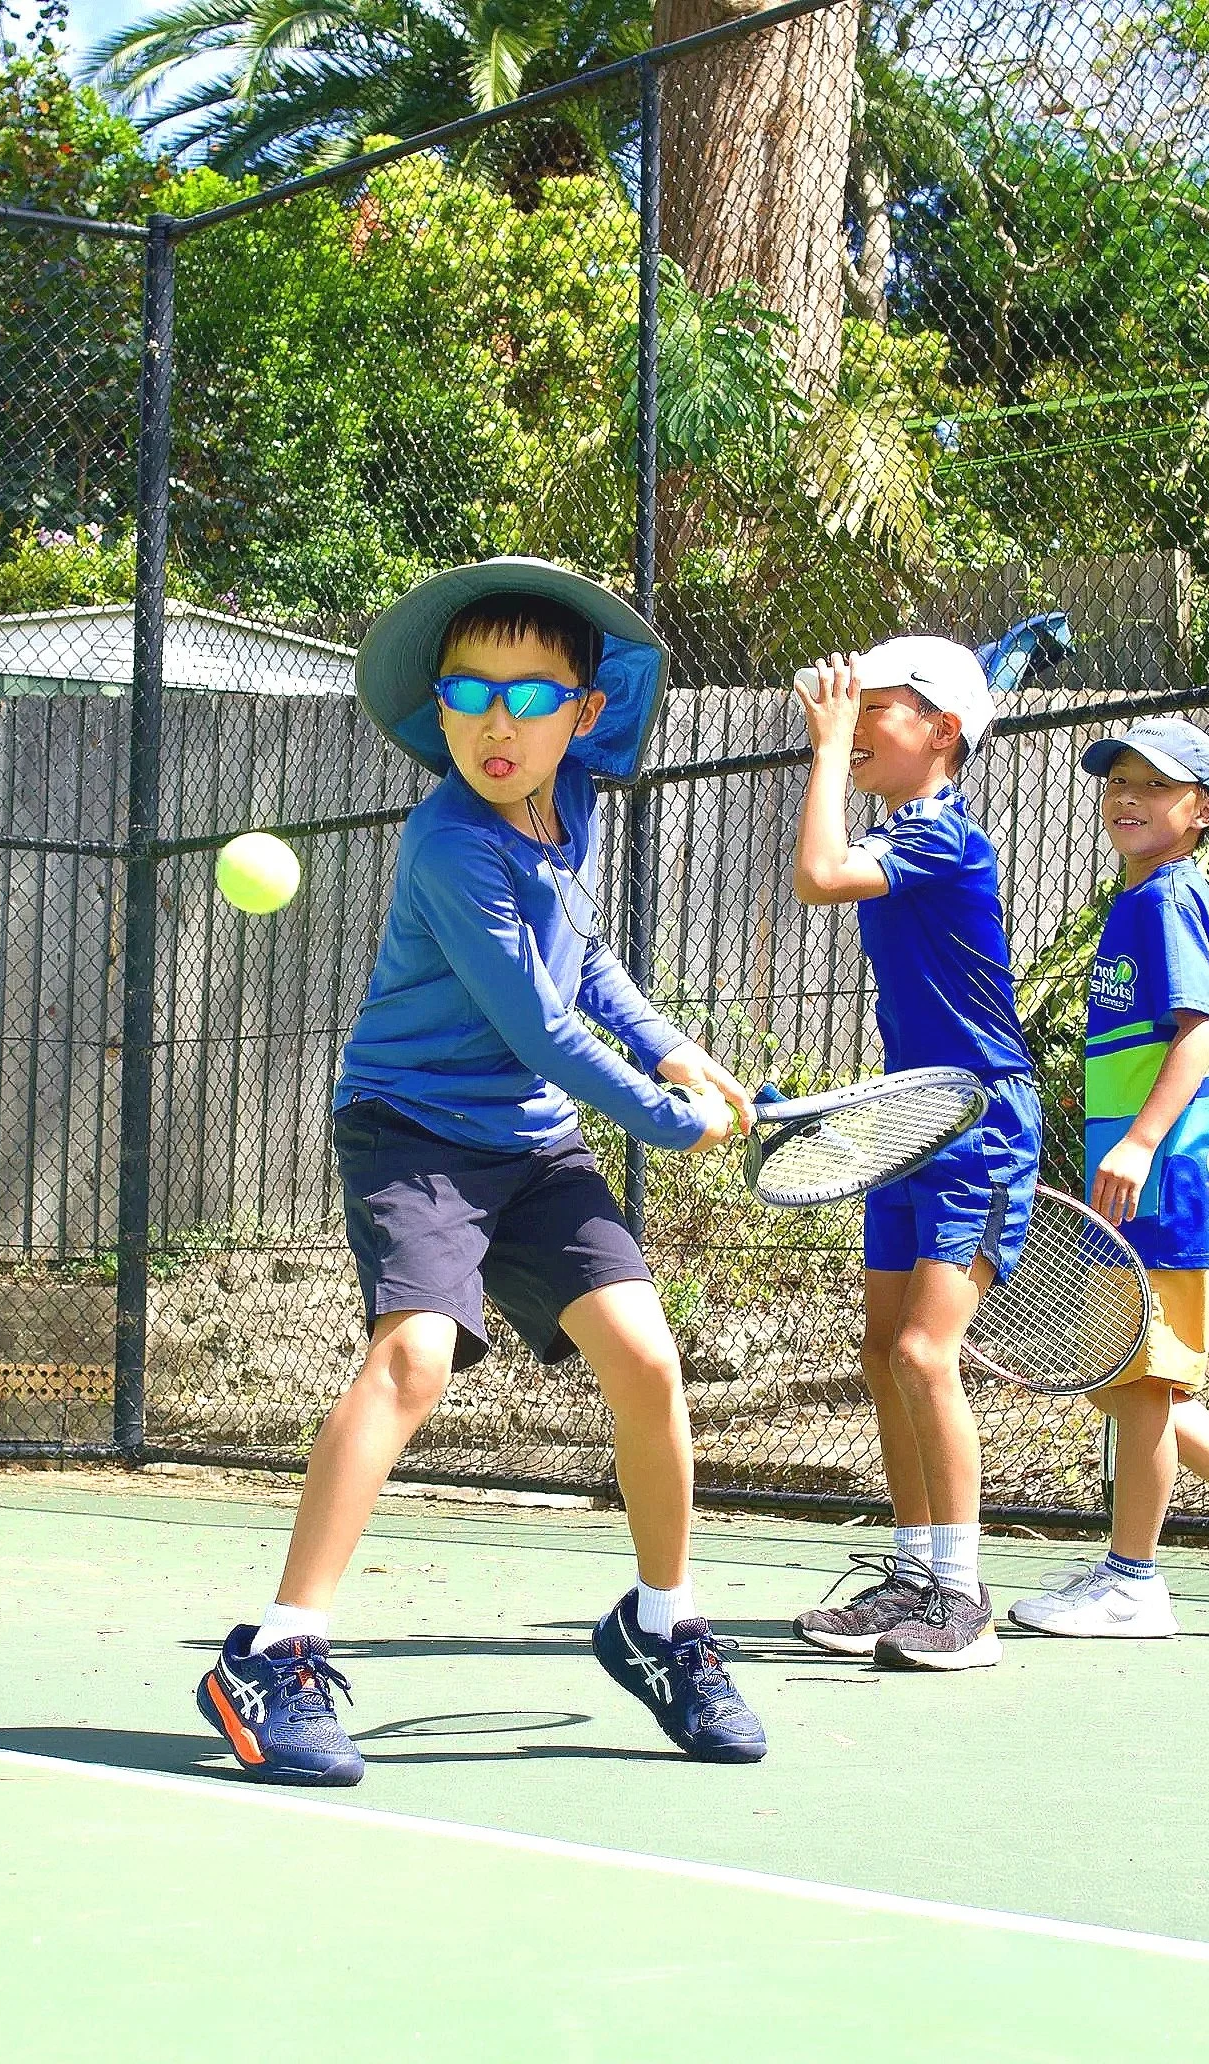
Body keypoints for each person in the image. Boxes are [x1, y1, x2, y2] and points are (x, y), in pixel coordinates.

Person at [196, 557, 768, 1784]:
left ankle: (663, 1625)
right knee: (413, 1358)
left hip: (530, 1144)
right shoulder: (449, 841)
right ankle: (275, 1650)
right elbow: (538, 1025)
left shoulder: (572, 811)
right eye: (468, 692)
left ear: (584, 711)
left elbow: (588, 957)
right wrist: (660, 1121)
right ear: (439, 710)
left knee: (648, 1360)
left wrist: (672, 1047)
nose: (496, 722)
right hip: (414, 1129)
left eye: (528, 694)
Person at [1009, 717, 1209, 1639]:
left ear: (1204, 812)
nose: (1129, 796)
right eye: (1120, 780)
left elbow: (1200, 1036)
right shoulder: (1141, 901)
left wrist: (1141, 1142)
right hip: (1144, 1187)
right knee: (1131, 1379)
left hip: (1166, 1185)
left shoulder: (1166, 902)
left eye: (1157, 786)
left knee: (1143, 1383)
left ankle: (1134, 1579)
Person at [783, 639, 1041, 1670]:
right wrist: (850, 732)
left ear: (942, 733)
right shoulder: (909, 827)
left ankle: (962, 1600)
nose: (853, 724)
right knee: (881, 1352)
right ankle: (909, 1575)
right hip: (911, 1115)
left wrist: (826, 748)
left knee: (928, 1354)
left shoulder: (945, 840)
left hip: (979, 1125)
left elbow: (816, 875)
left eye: (877, 709)